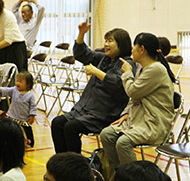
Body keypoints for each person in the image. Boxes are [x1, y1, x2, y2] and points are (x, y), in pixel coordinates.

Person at [51, 21, 136, 154]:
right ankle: (62, 164)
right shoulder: (104, 58)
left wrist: (96, 71)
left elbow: (118, 83)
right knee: (57, 123)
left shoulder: (127, 64)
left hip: (104, 114)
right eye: (105, 40)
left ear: (121, 44)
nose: (106, 44)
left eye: (110, 41)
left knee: (70, 128)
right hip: (85, 109)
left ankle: (75, 168)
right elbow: (81, 54)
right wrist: (81, 34)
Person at [100, 32, 175, 169]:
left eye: (134, 46)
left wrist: (127, 73)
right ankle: (118, 173)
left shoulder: (156, 69)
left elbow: (132, 91)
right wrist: (126, 113)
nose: (131, 49)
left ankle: (134, 176)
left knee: (123, 143)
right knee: (106, 134)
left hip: (154, 122)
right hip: (139, 118)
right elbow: (135, 97)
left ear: (142, 49)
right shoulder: (145, 69)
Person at [0, 71, 37, 147]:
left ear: (28, 84)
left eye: (20, 82)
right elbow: (6, 90)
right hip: (12, 115)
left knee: (27, 129)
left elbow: (33, 106)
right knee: (8, 128)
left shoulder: (30, 95)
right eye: (17, 81)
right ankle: (7, 140)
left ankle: (30, 142)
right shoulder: (15, 90)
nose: (17, 83)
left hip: (23, 117)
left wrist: (32, 116)